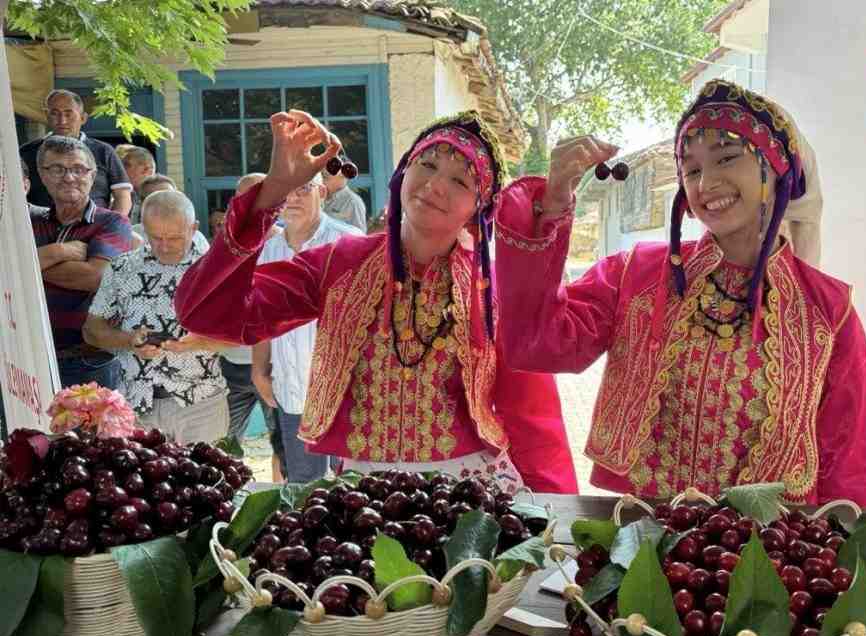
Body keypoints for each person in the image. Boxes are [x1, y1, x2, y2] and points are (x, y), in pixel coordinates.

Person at [493, 80, 866, 506]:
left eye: (727, 158)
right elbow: (538, 342)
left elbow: (855, 466)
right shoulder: (636, 275)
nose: (707, 183)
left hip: (769, 543)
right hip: (647, 533)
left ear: (777, 167)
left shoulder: (826, 311)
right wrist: (552, 204)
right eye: (691, 170)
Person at [175, 110, 578, 493]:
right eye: (428, 164)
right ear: (403, 172)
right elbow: (206, 313)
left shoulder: (491, 289)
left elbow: (532, 416)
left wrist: (557, 514)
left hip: (471, 495)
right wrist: (273, 191)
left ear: (480, 207)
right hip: (365, 495)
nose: (436, 185)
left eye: (460, 181)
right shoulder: (340, 263)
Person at [241, 173, 362, 482]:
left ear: (322, 192)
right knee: (305, 489)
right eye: (285, 190)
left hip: (346, 395)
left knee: (353, 487)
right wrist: (258, 369)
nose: (292, 198)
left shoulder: (349, 243)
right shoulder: (268, 252)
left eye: (303, 189)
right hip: (292, 389)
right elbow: (262, 316)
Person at [83, 190, 229, 443]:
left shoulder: (217, 271)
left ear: (193, 228)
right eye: (155, 237)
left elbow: (239, 338)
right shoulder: (122, 267)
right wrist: (129, 341)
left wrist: (195, 343)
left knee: (205, 470)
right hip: (135, 403)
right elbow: (91, 330)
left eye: (174, 238)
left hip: (200, 404)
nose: (164, 246)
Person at [31, 135, 132, 389]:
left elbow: (95, 277)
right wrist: (58, 252)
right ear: (42, 175)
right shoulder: (30, 223)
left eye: (78, 169)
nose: (69, 177)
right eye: (57, 169)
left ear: (92, 175)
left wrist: (28, 265)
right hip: (32, 363)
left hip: (89, 363)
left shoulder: (112, 222)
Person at [218, 173, 284, 481]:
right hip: (230, 365)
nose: (251, 206)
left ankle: (281, 500)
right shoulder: (224, 246)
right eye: (244, 199)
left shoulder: (287, 244)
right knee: (224, 444)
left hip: (276, 365)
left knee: (283, 445)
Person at [20, 90, 132, 216]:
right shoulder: (27, 152)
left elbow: (122, 195)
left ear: (83, 118)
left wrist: (113, 224)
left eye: (68, 114)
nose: (62, 121)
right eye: (55, 114)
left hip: (95, 225)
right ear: (46, 115)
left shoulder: (103, 151)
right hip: (41, 225)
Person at [131, 175, 210, 253]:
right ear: (142, 203)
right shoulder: (131, 236)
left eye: (169, 197)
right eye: (155, 199)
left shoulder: (196, 237)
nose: (164, 203)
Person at [321, 166, 368, 232]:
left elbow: (359, 234)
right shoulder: (318, 197)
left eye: (325, 177)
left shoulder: (353, 202)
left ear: (343, 175)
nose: (322, 181)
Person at [121, 146, 156, 223]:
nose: (121, 169)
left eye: (127, 165)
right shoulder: (126, 195)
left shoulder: (160, 195)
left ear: (145, 169)